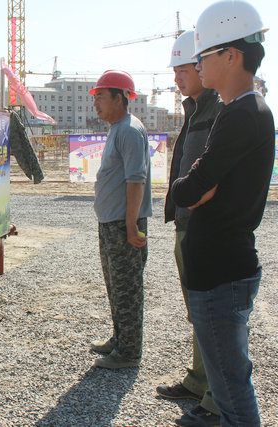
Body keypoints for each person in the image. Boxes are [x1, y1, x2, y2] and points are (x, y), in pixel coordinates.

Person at [171, 1, 274, 425]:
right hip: (221, 269)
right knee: (228, 381)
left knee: (232, 391)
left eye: (203, 55)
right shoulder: (243, 111)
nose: (196, 64)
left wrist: (192, 184)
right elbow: (198, 189)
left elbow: (187, 189)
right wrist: (197, 185)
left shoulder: (241, 115)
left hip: (220, 273)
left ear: (231, 55)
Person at [156, 30, 224, 421]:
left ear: (202, 65)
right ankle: (199, 380)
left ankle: (217, 398)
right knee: (197, 311)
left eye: (184, 69)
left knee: (212, 314)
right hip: (187, 224)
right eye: (175, 70)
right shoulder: (197, 109)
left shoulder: (219, 110)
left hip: (204, 226)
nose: (178, 77)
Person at [88, 70, 152, 369]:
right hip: (112, 223)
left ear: (120, 97)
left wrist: (130, 225)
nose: (96, 103)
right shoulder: (118, 128)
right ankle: (120, 339)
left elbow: (136, 180)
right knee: (116, 286)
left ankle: (129, 353)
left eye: (101, 96)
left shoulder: (129, 130)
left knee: (128, 290)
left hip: (123, 224)